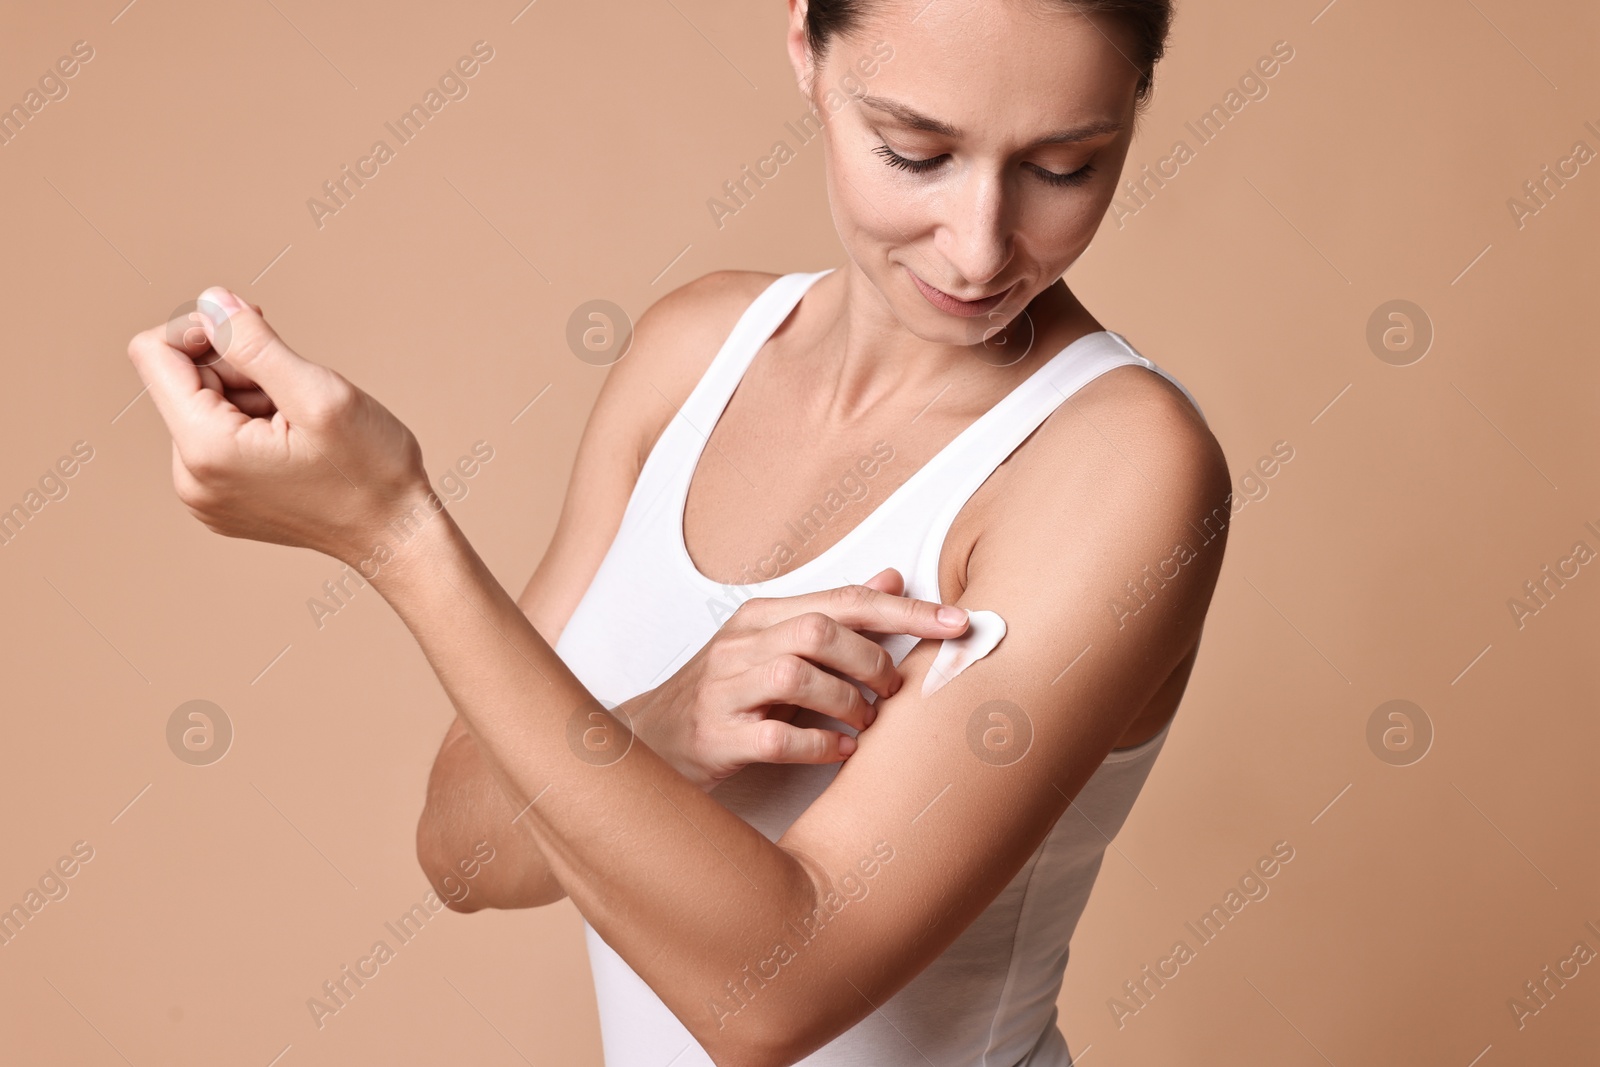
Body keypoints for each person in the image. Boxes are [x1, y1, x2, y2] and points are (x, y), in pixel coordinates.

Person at [125, 0, 1230, 1063]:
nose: (979, 245)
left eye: (1062, 166)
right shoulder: (695, 351)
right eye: (913, 150)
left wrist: (394, 533)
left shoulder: (1122, 464)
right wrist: (657, 727)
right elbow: (463, 851)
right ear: (805, 44)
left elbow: (772, 999)